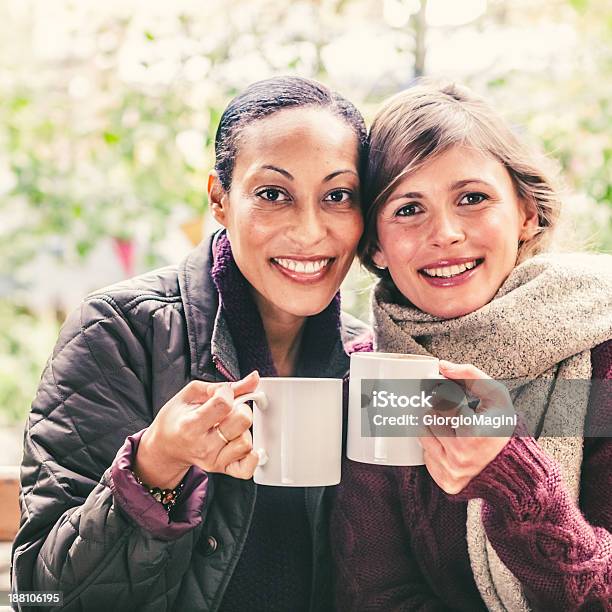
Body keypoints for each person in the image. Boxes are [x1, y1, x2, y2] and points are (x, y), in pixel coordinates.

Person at [12, 76, 368, 612]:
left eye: (338, 196)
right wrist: (154, 467)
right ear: (220, 200)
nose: (310, 230)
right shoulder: (118, 333)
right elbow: (40, 595)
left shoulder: (372, 363)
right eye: (273, 194)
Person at [332, 81, 612, 611]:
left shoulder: (599, 355)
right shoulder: (383, 381)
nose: (446, 233)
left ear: (526, 213)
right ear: (375, 245)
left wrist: (513, 477)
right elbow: (378, 593)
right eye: (409, 209)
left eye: (473, 198)